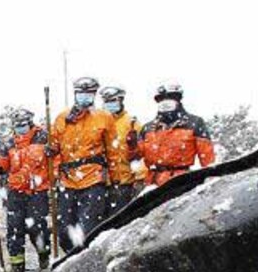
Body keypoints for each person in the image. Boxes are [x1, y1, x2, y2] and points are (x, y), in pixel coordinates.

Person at [46, 76, 128, 249]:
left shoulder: (104, 118)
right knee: (64, 229)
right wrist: (51, 151)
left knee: (88, 227)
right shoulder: (62, 118)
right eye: (81, 92)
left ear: (94, 94)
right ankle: (69, 254)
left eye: (89, 93)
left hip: (93, 179)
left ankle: (82, 262)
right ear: (75, 94)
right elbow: (54, 147)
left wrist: (116, 180)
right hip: (68, 180)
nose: (85, 96)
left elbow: (113, 152)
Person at [0, 108, 53, 272]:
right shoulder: (9, 143)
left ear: (30, 123)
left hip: (37, 190)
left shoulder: (43, 138)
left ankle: (44, 255)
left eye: (23, 124)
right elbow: (3, 166)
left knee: (37, 226)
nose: (21, 128)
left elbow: (54, 159)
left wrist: (53, 158)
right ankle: (17, 263)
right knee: (14, 228)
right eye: (17, 125)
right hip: (15, 191)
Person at [140, 81, 216, 185]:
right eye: (161, 99)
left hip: (181, 182)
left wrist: (211, 181)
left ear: (178, 99)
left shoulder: (194, 123)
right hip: (152, 184)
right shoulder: (147, 128)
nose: (165, 102)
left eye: (170, 97)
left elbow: (207, 159)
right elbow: (136, 157)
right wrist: (131, 146)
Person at [100, 85, 144, 214]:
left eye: (113, 100)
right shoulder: (99, 123)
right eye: (107, 101)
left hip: (125, 182)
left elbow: (140, 153)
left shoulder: (132, 124)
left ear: (121, 101)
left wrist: (140, 178)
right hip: (101, 183)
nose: (110, 104)